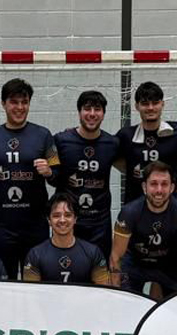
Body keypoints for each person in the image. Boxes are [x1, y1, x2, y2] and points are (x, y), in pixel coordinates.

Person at [0, 78, 61, 278]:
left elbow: (57, 176)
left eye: (25, 102)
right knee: (4, 284)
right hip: (2, 225)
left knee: (37, 283)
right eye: (14, 102)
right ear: (3, 104)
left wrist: (49, 172)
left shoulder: (44, 135)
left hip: (35, 224)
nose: (20, 107)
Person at [110, 161, 177, 299]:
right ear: (144, 187)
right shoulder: (129, 212)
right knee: (126, 303)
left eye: (164, 184)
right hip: (135, 264)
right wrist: (116, 294)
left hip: (169, 265)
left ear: (172, 188)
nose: (159, 190)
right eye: (153, 184)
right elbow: (116, 257)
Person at [53, 90, 122, 258]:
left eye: (97, 109)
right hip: (69, 221)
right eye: (87, 109)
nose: (92, 114)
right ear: (79, 112)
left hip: (100, 222)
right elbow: (52, 178)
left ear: (104, 114)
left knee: (98, 274)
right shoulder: (61, 140)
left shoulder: (113, 143)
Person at [116, 81, 177, 203]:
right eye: (145, 104)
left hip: (170, 209)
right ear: (136, 106)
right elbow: (109, 157)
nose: (150, 108)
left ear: (162, 104)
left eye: (155, 103)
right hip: (135, 209)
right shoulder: (125, 135)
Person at [23, 193, 110, 285]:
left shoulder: (93, 252)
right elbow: (31, 293)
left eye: (68, 215)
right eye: (56, 215)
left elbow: (103, 291)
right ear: (49, 220)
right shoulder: (35, 255)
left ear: (75, 218)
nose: (62, 220)